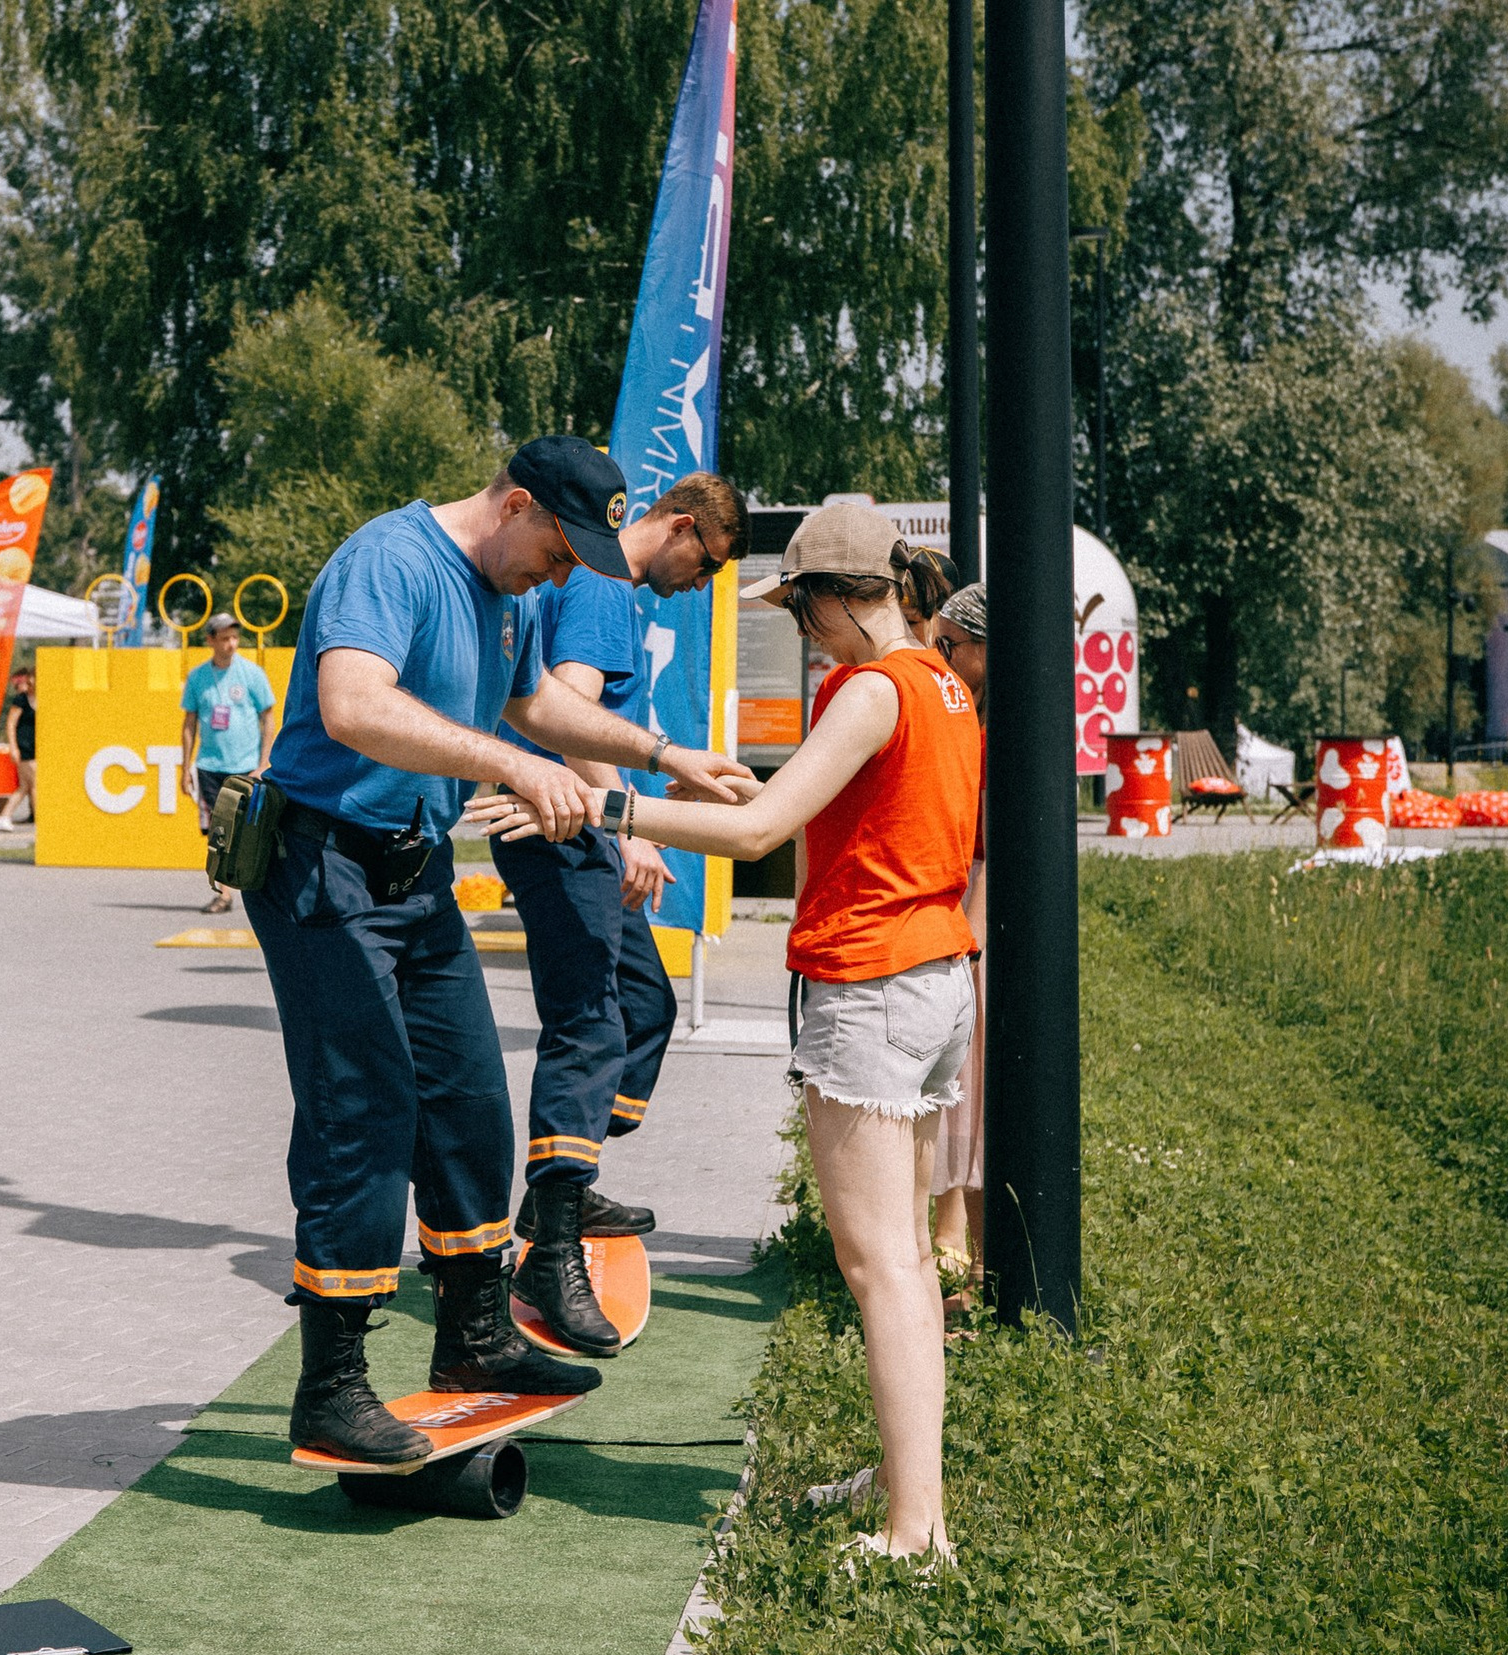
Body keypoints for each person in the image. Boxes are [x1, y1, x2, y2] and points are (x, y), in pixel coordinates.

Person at [468, 503, 972, 1561]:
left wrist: (600, 809)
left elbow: (752, 833)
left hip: (870, 984)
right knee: (908, 1261)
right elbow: (845, 807)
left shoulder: (873, 687)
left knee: (876, 1262)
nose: (804, 632)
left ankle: (915, 1530)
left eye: (805, 611)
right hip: (933, 977)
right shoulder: (938, 681)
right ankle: (906, 1478)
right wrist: (749, 787)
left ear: (843, 594)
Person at [249, 435, 753, 1466]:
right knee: (366, 1109)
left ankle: (476, 1340)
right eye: (558, 549)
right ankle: (330, 1385)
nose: (563, 574)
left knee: (473, 1100)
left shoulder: (510, 590)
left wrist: (666, 756)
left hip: (413, 869)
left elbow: (534, 704)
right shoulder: (390, 559)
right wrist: (515, 769)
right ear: (515, 501)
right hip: (320, 866)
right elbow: (353, 705)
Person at [490, 471, 747, 1354]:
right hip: (561, 826)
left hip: (584, 825)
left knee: (646, 1005)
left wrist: (640, 795)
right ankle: (549, 1245)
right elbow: (565, 713)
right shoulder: (605, 589)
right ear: (680, 527)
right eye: (707, 562)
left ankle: (565, 1176)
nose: (702, 582)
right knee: (591, 1025)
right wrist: (625, 824)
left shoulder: (616, 594)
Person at [929, 581, 988, 1307]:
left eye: (949, 646)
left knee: (976, 1082)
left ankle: (981, 1270)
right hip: (969, 895)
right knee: (969, 1087)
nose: (939, 657)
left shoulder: (985, 728)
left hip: (980, 901)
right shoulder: (969, 716)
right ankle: (977, 1266)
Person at [182, 612, 280, 912]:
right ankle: (224, 893)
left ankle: (262, 889)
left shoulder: (252, 674)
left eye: (235, 637)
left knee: (252, 829)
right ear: (211, 640)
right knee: (218, 831)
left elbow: (269, 718)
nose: (231, 644)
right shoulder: (198, 677)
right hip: (210, 765)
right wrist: (185, 767)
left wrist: (264, 762)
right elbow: (189, 723)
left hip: (246, 766)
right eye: (224, 638)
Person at [0, 667, 38, 830]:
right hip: (24, 745)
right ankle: (40, 819)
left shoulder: (42, 698)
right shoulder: (21, 700)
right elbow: (11, 723)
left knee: (26, 786)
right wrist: (13, 747)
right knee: (35, 783)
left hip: (37, 745)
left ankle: (4, 816)